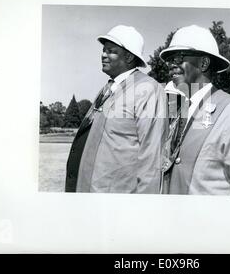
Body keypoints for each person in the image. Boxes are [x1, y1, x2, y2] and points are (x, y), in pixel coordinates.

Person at [159, 25, 230, 196]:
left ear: (204, 63)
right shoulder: (180, 112)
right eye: (170, 59)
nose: (171, 65)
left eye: (179, 57)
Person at [65, 25, 167, 193]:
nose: (103, 55)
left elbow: (152, 160)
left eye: (111, 51)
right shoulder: (108, 88)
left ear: (128, 57)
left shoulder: (148, 89)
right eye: (103, 50)